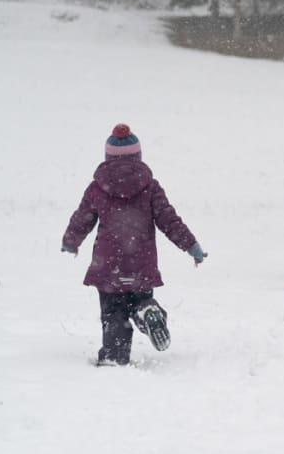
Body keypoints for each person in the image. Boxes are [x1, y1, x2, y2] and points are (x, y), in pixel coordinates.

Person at [62, 124, 206, 366]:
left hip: (108, 265)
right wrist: (191, 245)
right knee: (137, 300)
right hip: (141, 263)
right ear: (138, 156)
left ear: (107, 157)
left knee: (113, 312)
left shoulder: (97, 187)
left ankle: (114, 355)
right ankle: (147, 311)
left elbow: (83, 217)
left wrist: (70, 242)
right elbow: (169, 220)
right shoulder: (150, 186)